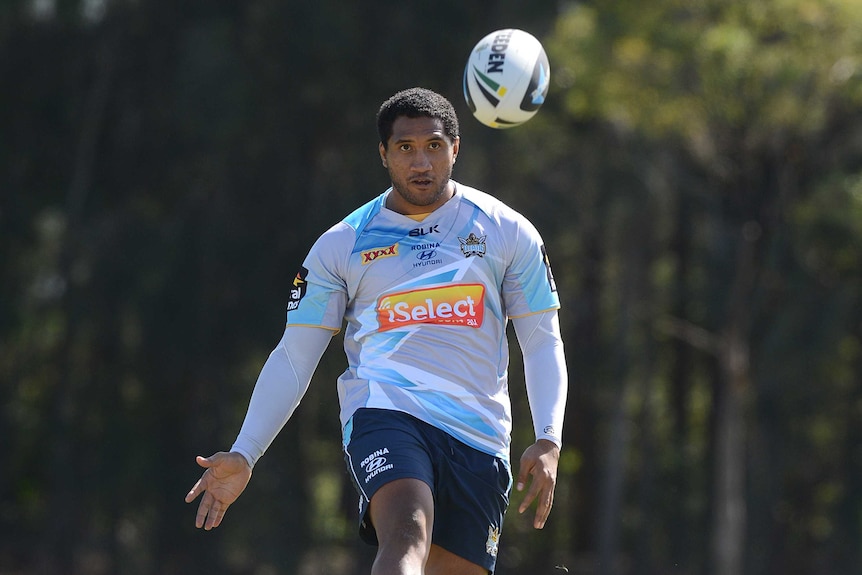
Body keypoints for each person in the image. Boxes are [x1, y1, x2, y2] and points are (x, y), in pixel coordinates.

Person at [185, 87, 568, 575]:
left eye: (433, 145)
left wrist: (549, 437)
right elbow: (294, 357)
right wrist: (246, 451)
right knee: (408, 531)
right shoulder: (342, 244)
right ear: (383, 154)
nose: (421, 162)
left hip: (479, 433)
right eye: (405, 148)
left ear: (456, 148)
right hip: (386, 413)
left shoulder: (508, 231)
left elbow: (541, 339)